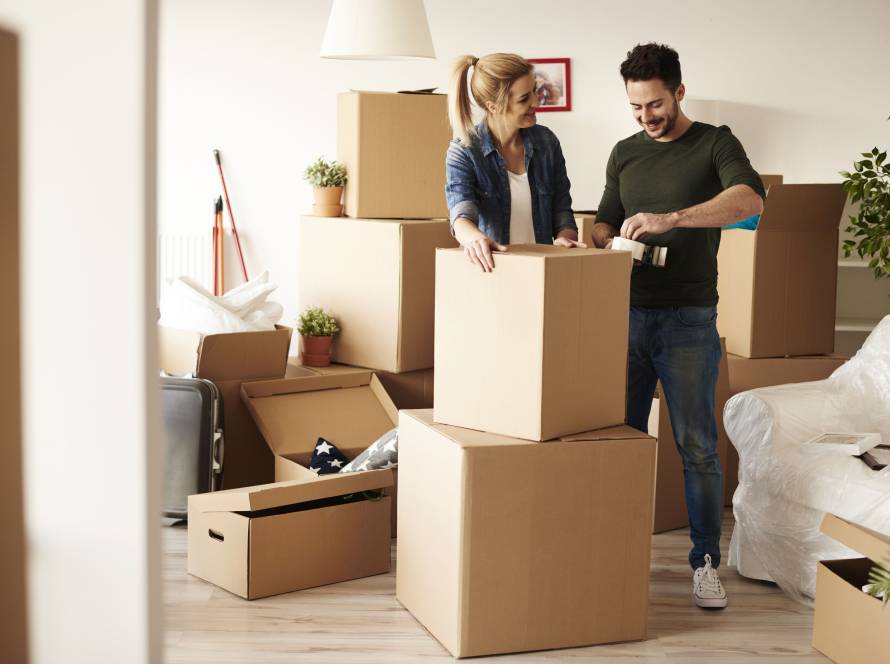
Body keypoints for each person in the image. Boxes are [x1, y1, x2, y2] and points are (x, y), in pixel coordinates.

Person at [592, 43, 765, 609]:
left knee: (697, 446)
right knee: (619, 440)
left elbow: (750, 202)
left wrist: (673, 218)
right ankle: (610, 554)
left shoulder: (715, 141)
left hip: (690, 321)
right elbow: (605, 219)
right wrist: (595, 237)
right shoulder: (624, 153)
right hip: (627, 317)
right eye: (637, 107)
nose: (647, 117)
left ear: (679, 91)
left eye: (656, 104)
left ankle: (705, 565)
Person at [446, 53, 582, 272]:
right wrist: (475, 239)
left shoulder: (547, 143)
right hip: (495, 273)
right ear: (493, 106)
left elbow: (562, 210)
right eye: (524, 99)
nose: (536, 102)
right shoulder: (464, 152)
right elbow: (461, 214)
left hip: (545, 272)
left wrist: (565, 239)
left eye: (535, 92)